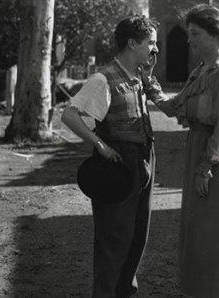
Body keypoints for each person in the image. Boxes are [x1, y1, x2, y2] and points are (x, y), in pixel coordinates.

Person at [141, 4, 219, 297]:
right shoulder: (202, 70)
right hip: (199, 149)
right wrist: (149, 82)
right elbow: (176, 106)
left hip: (218, 156)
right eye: (189, 34)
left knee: (217, 228)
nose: (189, 40)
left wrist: (206, 167)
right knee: (200, 228)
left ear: (217, 35)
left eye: (195, 34)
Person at [61, 15, 159, 298]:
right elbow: (70, 115)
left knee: (137, 236)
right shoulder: (103, 79)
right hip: (119, 165)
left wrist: (149, 75)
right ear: (132, 43)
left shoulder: (138, 76)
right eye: (150, 43)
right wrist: (100, 145)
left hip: (144, 158)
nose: (154, 49)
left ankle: (123, 292)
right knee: (114, 239)